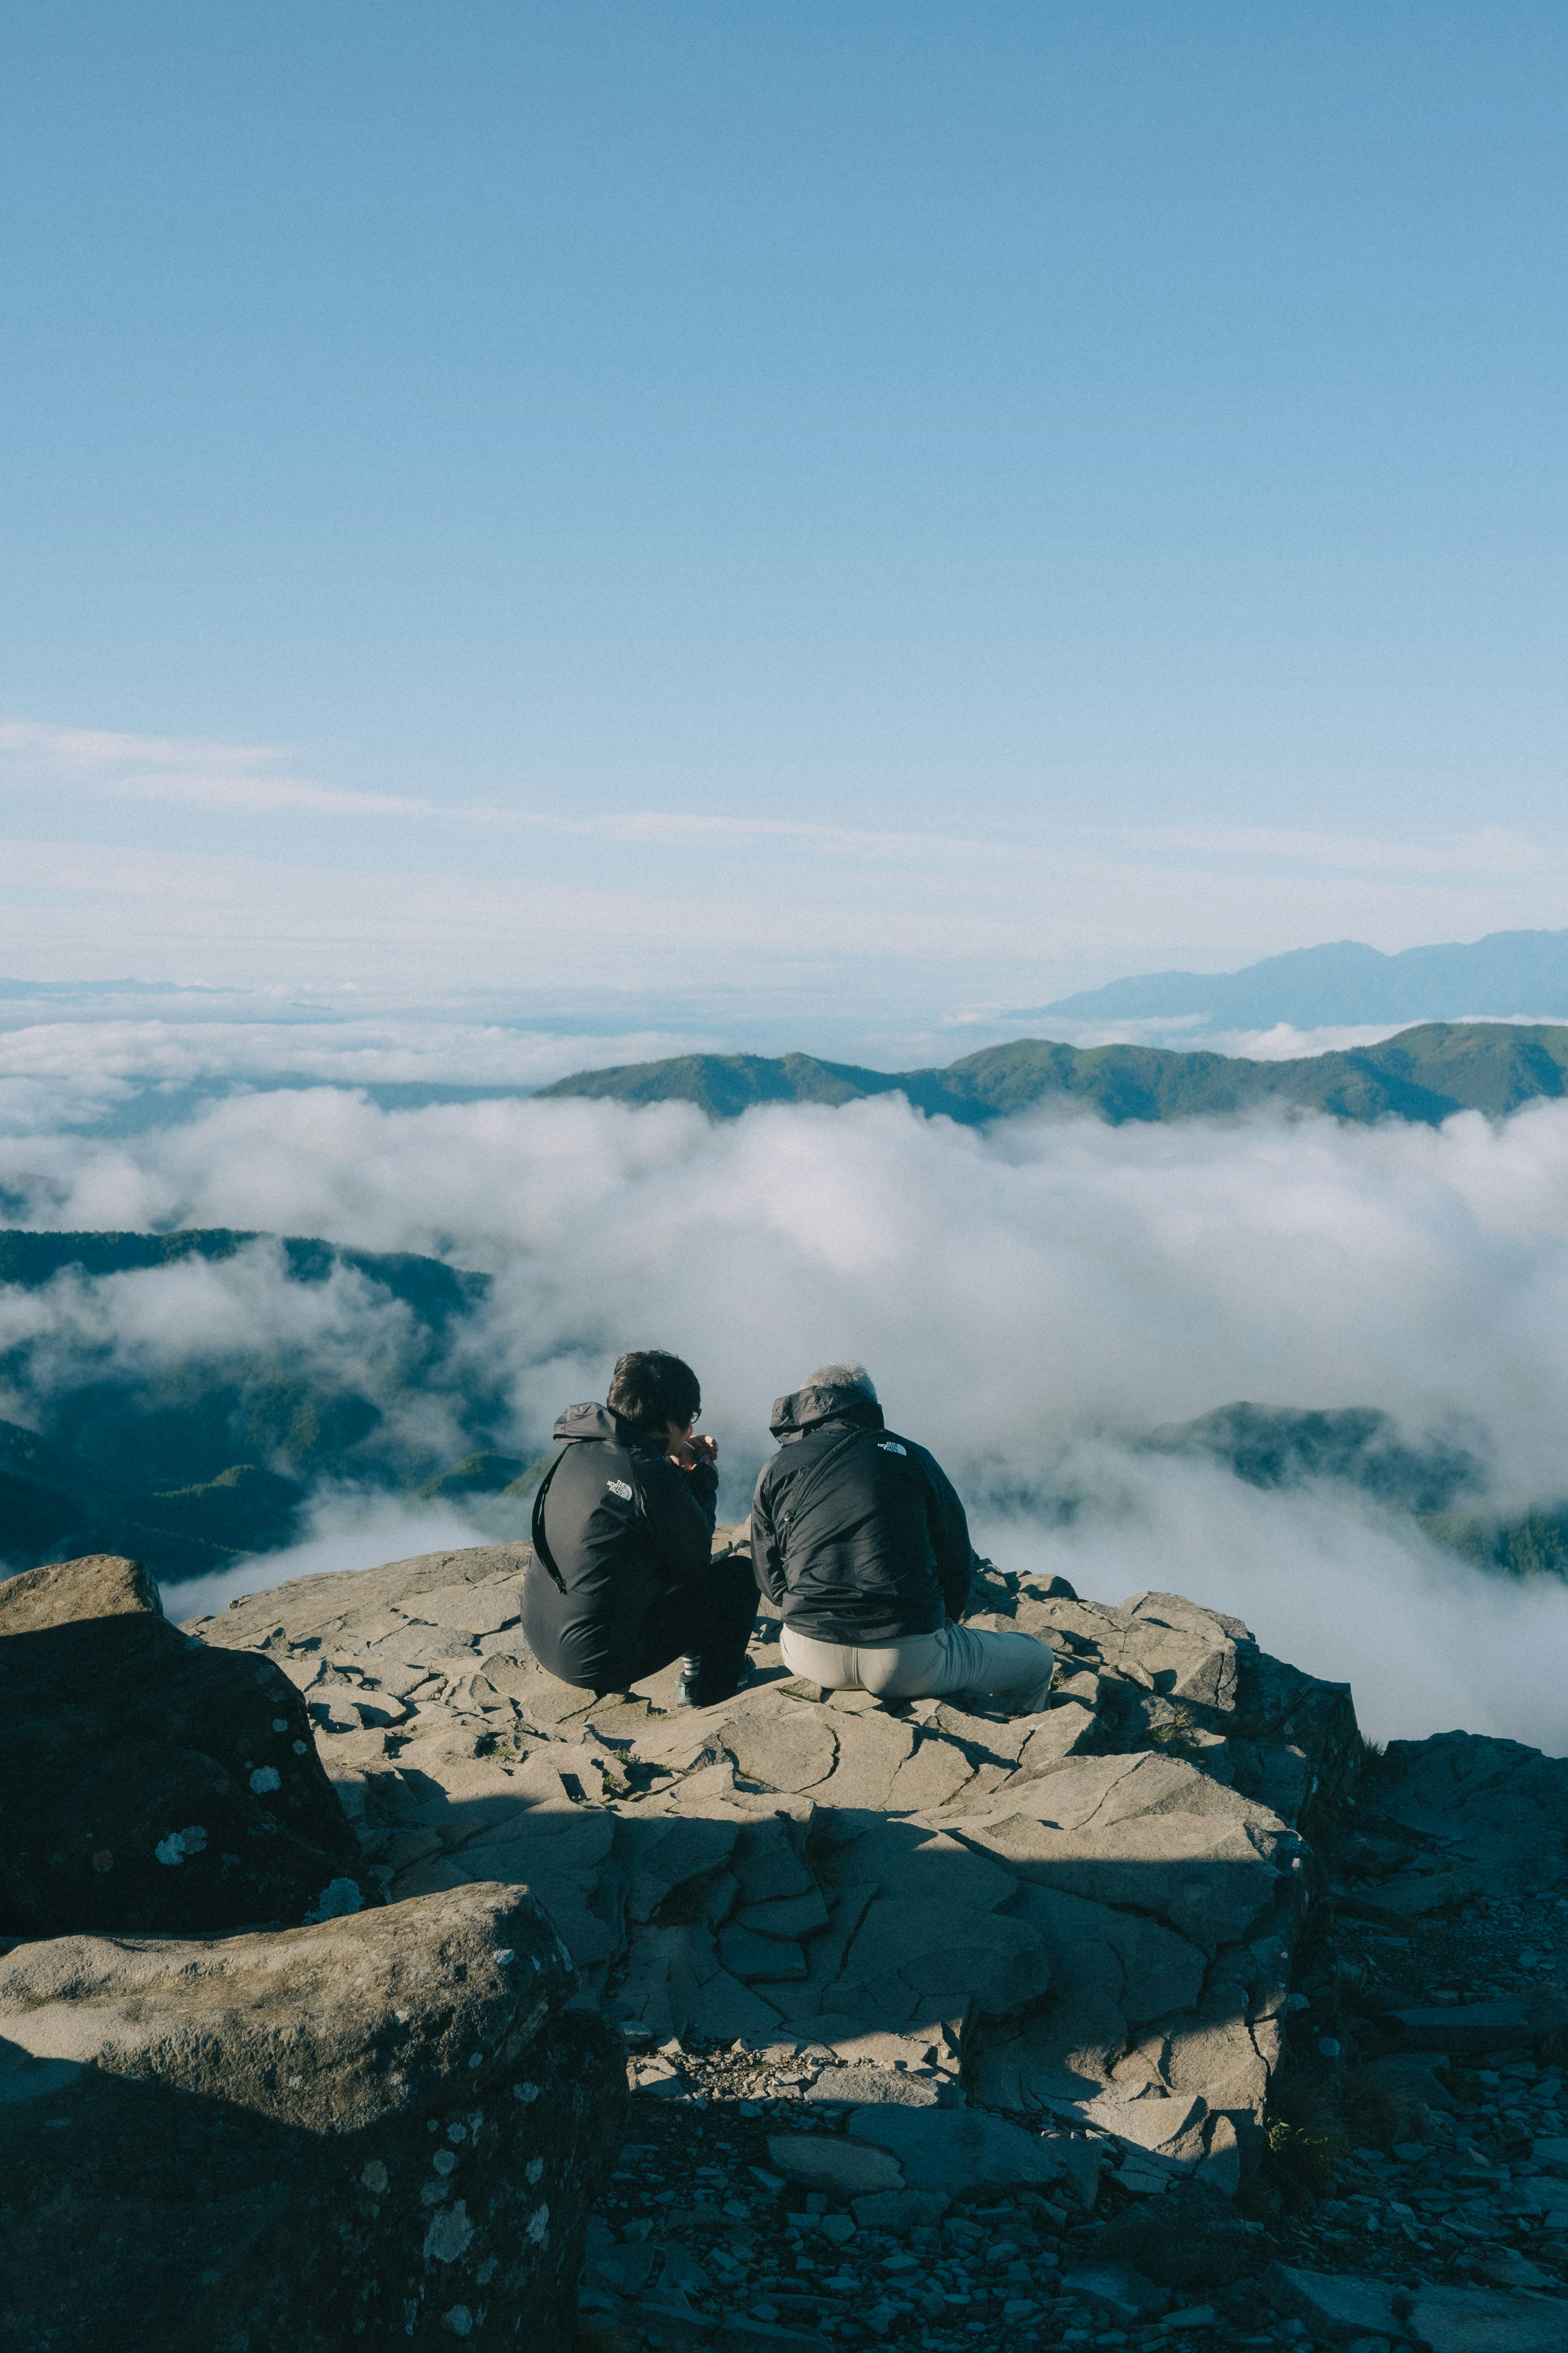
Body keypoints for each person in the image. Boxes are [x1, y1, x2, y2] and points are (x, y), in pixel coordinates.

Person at [751, 1363, 1056, 1711]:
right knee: (1038, 1659)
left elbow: (767, 1572)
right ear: (870, 1405)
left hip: (811, 1654)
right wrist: (941, 1622)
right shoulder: (914, 1457)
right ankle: (1021, 1730)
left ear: (805, 1404)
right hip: (908, 1660)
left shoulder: (777, 1466)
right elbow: (956, 1557)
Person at [521, 1348, 758, 1708]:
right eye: (688, 1419)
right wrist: (700, 1478)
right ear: (668, 1422)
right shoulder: (651, 1476)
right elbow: (694, 1559)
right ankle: (710, 1694)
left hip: (541, 1634)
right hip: (595, 1661)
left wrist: (670, 1470)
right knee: (739, 1576)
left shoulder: (582, 1442)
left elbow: (634, 1498)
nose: (690, 1428)